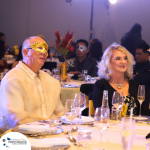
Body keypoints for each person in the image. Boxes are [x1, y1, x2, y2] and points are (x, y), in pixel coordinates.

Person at [0, 36, 64, 131]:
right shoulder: (13, 80)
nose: (44, 53)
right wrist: (48, 130)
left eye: (46, 50)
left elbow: (60, 113)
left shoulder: (52, 81)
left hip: (53, 133)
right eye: (39, 48)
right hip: (22, 137)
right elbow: (18, 121)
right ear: (25, 52)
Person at [93, 43, 139, 115]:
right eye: (118, 59)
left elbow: (143, 113)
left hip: (134, 125)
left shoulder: (134, 83)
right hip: (111, 125)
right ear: (108, 62)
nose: (123, 62)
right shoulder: (101, 85)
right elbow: (100, 112)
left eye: (125, 58)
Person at [133, 43, 150, 116]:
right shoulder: (133, 66)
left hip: (146, 101)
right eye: (136, 54)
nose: (136, 56)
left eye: (140, 54)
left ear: (147, 54)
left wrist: (134, 77)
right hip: (133, 99)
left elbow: (142, 80)